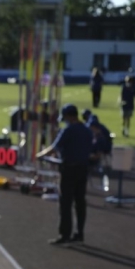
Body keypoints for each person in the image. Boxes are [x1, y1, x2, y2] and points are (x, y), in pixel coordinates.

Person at [37, 104, 93, 245]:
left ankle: (65, 234)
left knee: (66, 203)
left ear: (69, 116)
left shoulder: (68, 130)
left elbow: (54, 148)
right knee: (80, 202)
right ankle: (79, 233)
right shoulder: (87, 130)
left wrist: (40, 155)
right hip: (83, 168)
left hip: (69, 169)